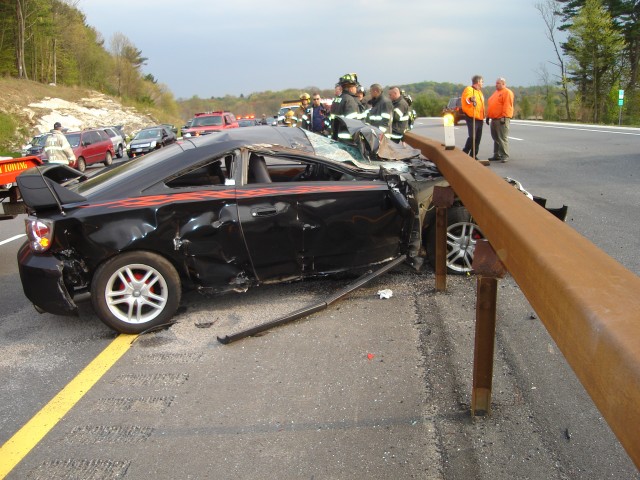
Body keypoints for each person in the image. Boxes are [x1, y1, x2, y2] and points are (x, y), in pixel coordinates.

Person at [461, 75, 489, 165]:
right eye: (482, 81)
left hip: (480, 117)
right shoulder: (469, 89)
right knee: (472, 136)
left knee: (478, 138)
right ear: (477, 82)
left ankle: (473, 155)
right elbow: (466, 100)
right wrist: (470, 99)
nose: (482, 83)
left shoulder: (480, 92)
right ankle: (464, 152)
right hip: (471, 116)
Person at [486, 77, 514, 163]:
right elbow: (491, 105)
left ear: (503, 84)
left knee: (502, 138)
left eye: (498, 83)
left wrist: (504, 117)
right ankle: (496, 154)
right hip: (494, 119)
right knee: (495, 138)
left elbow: (507, 105)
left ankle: (504, 155)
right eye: (496, 83)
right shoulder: (496, 93)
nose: (496, 84)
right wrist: (488, 116)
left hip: (501, 119)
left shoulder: (507, 92)